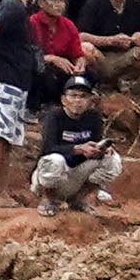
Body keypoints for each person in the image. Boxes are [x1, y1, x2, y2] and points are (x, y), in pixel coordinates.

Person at [31, 77, 124, 214]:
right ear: (64, 99)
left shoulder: (93, 118)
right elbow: (47, 149)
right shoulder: (54, 117)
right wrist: (77, 149)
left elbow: (96, 144)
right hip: (50, 175)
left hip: (77, 175)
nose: (78, 101)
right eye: (73, 96)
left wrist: (101, 150)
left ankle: (79, 199)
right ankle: (47, 199)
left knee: (113, 160)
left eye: (83, 96)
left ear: (90, 101)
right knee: (55, 160)